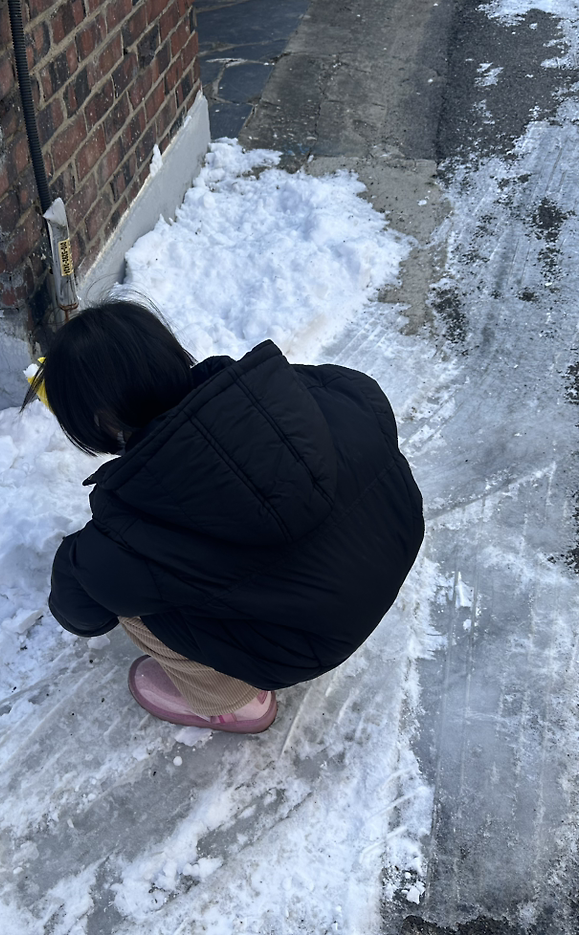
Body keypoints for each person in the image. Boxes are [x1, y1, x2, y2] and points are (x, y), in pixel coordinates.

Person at [26, 299, 424, 734]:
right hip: (387, 552)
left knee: (133, 606)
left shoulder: (126, 532)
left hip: (310, 645)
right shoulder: (313, 388)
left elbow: (83, 612)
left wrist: (90, 560)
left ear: (101, 422)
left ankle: (233, 704)